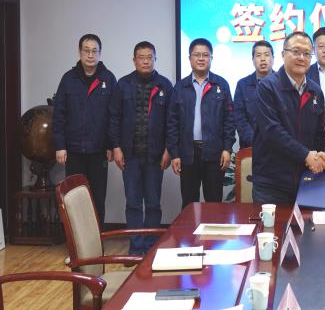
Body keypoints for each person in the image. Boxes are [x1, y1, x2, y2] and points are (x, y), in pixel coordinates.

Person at [109, 41, 173, 254]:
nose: (146, 61)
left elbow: (171, 122)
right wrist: (116, 147)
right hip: (130, 155)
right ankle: (136, 249)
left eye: (149, 57)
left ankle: (151, 247)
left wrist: (169, 149)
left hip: (155, 156)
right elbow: (114, 118)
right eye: (141, 57)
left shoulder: (165, 85)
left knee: (153, 203)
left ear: (155, 59)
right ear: (134, 60)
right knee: (133, 203)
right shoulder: (123, 85)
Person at [252, 32, 325, 204]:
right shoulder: (267, 87)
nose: (301, 57)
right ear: (283, 54)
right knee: (270, 223)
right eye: (296, 51)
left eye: (307, 53)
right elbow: (272, 132)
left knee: (308, 223)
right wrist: (306, 155)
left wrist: (317, 158)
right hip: (272, 183)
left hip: (306, 180)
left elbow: (319, 132)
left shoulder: (315, 91)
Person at [52, 34, 116, 227]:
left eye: (94, 51)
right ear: (79, 52)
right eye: (86, 51)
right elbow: (59, 114)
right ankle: (77, 243)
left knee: (97, 198)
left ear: (100, 53)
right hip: (73, 151)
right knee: (74, 198)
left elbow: (114, 116)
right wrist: (60, 145)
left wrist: (111, 145)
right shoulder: (68, 79)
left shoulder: (108, 79)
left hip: (99, 150)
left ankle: (97, 240)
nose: (90, 55)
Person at [167, 38, 235, 207]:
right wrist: (175, 154)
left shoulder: (221, 85)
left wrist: (227, 149)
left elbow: (229, 120)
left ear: (211, 58)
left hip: (214, 152)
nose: (201, 58)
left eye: (205, 55)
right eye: (197, 55)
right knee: (189, 203)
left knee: (214, 203)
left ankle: (213, 227)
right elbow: (172, 123)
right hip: (188, 153)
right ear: (189, 58)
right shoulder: (180, 87)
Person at [233, 40, 274, 149]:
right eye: (258, 55)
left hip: (279, 148)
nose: (263, 59)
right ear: (252, 60)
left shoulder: (283, 83)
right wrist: (255, 141)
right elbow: (239, 118)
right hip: (250, 147)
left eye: (266, 55)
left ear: (273, 58)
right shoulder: (242, 85)